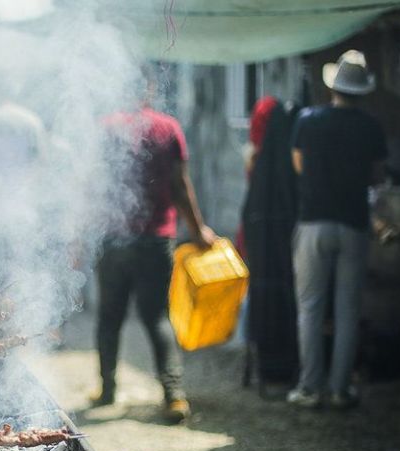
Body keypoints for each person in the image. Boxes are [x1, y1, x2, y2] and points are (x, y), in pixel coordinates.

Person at [94, 81, 216, 422]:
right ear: (147, 90)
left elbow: (93, 186)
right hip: (156, 240)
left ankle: (107, 390)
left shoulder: (106, 128)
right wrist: (198, 229)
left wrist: (80, 237)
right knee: (157, 317)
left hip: (112, 239)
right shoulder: (168, 127)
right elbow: (180, 186)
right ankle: (174, 395)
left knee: (109, 317)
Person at [287, 50, 387, 409]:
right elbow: (377, 177)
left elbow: (299, 165)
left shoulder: (308, 120)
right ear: (361, 91)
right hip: (354, 225)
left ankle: (310, 388)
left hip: (314, 223)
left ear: (333, 87)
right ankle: (340, 389)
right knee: (348, 310)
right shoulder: (371, 127)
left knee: (310, 308)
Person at [241, 96, 301, 388]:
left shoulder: (258, 161)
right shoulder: (290, 162)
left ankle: (266, 366)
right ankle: (287, 365)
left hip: (262, 247)